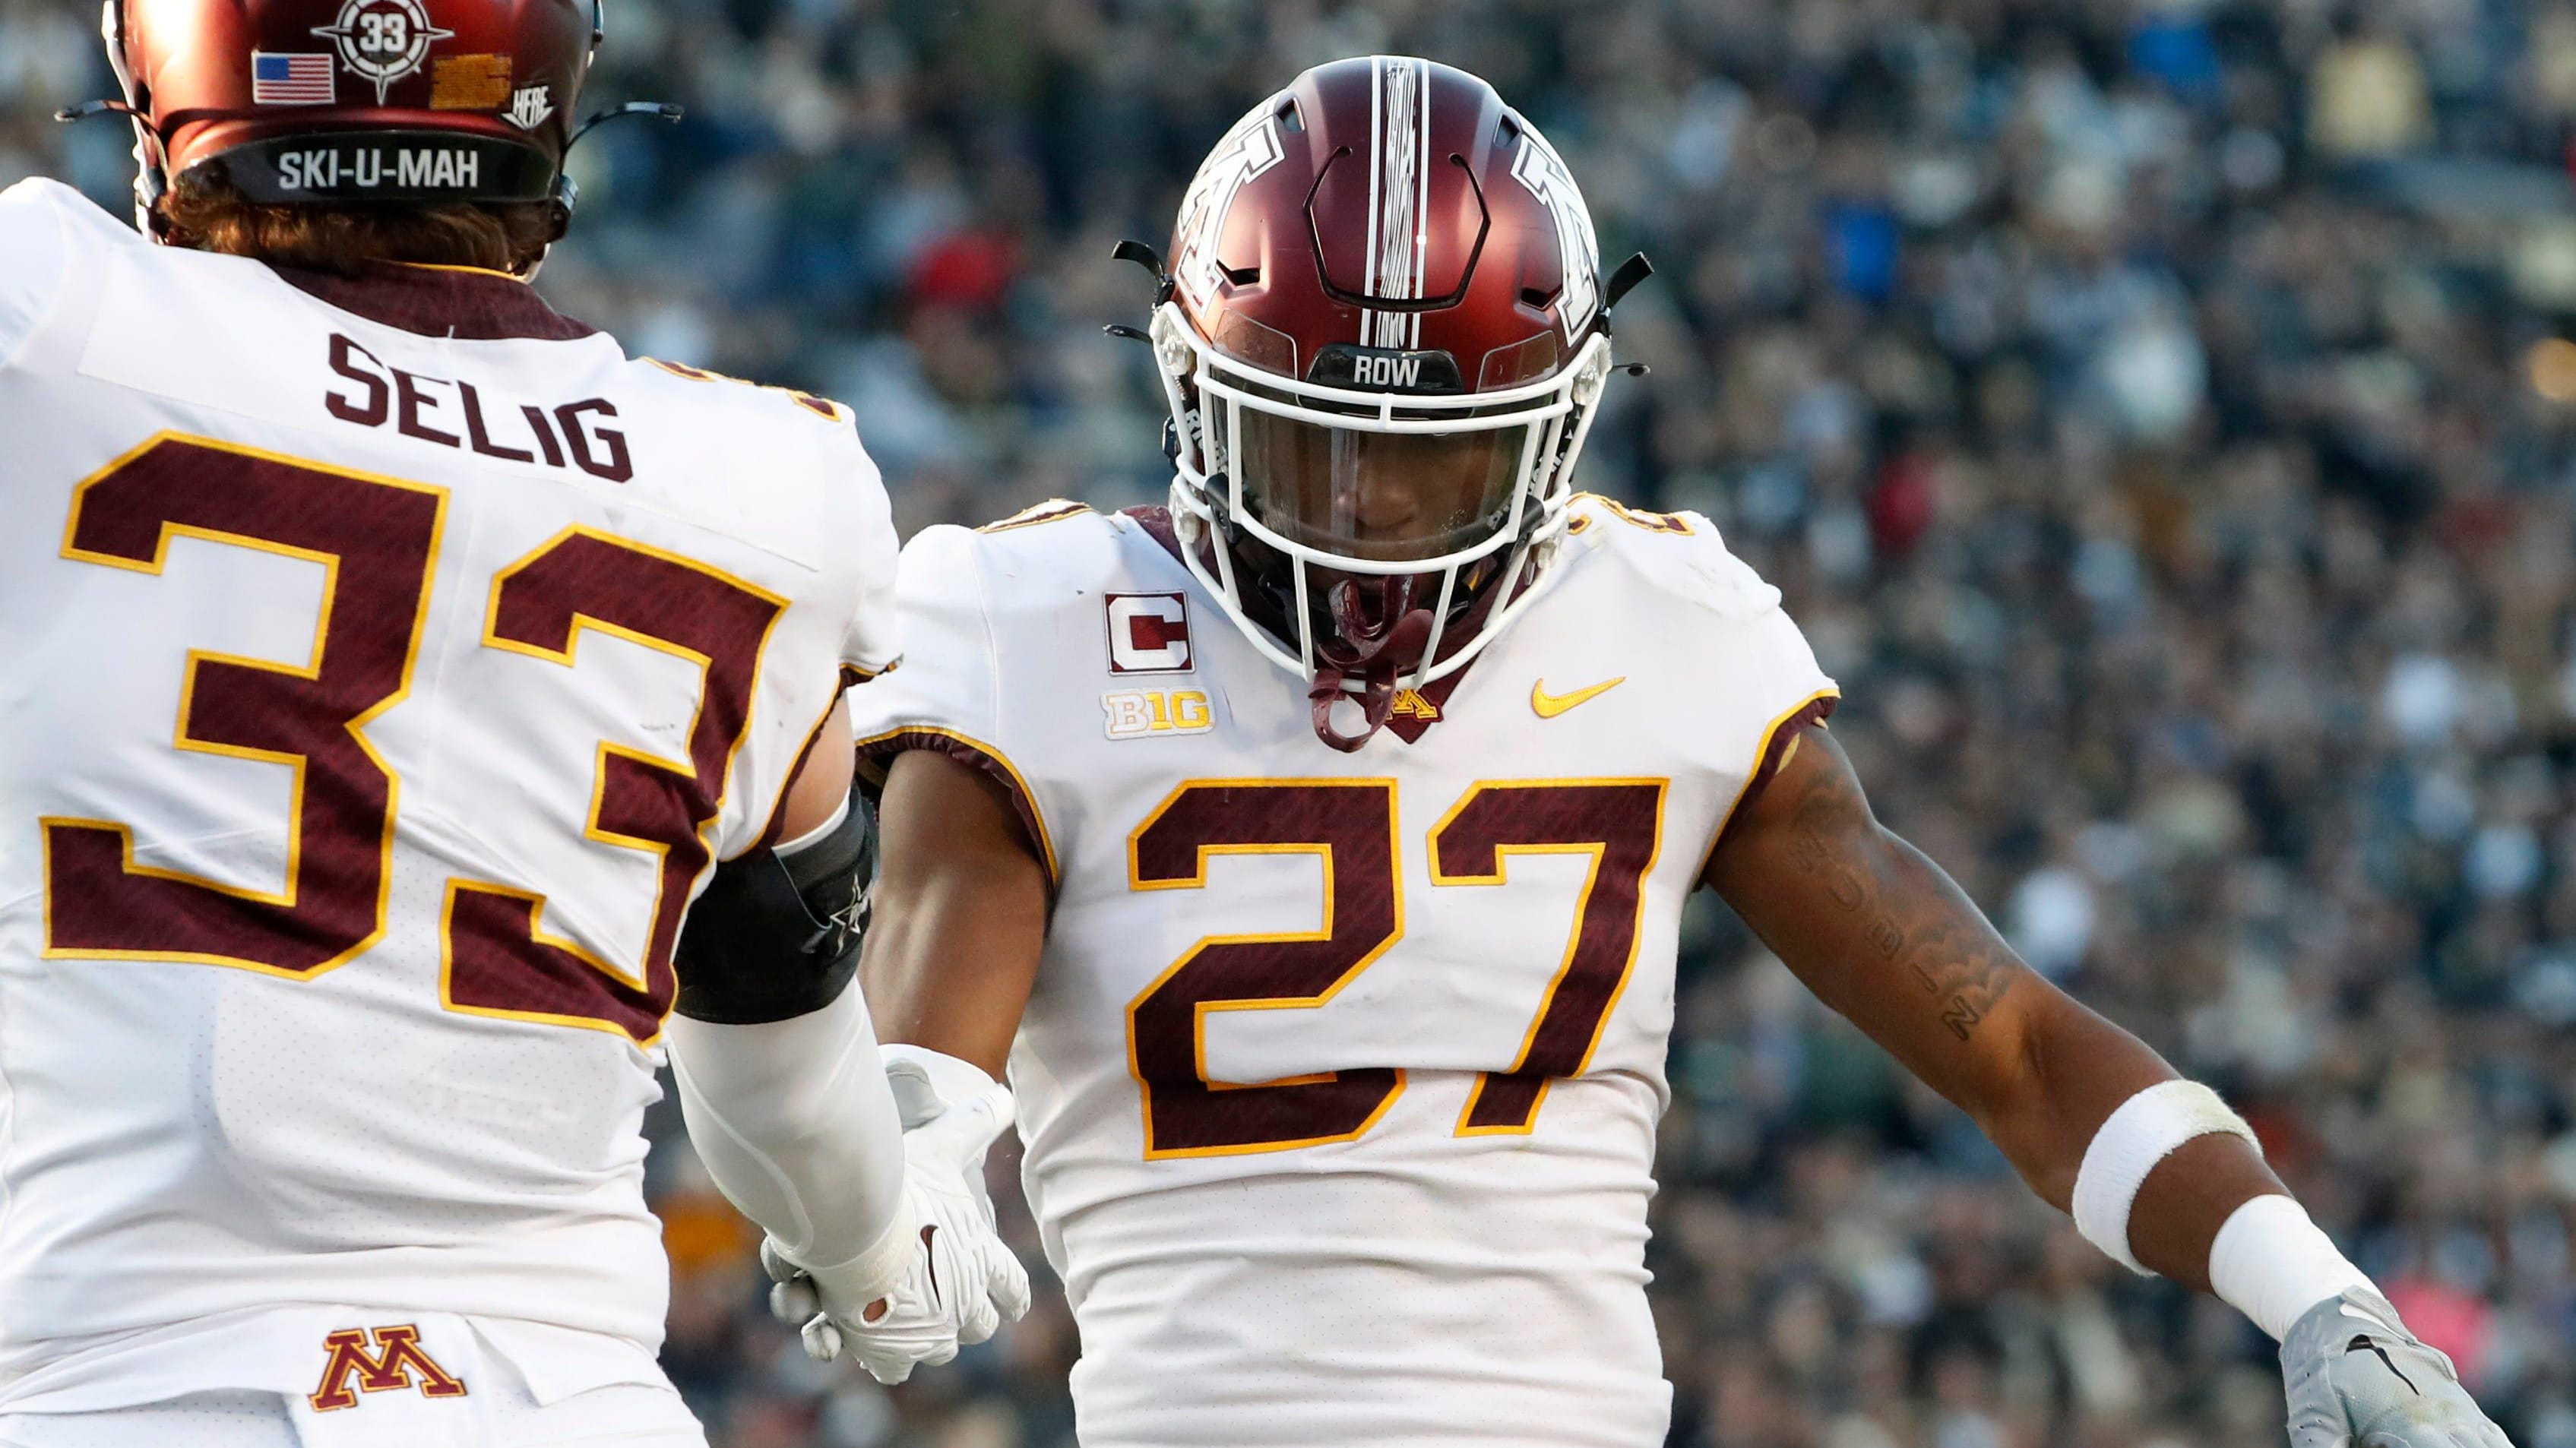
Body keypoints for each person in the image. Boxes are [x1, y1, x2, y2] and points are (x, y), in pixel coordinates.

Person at [794, 55, 2516, 1448]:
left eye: (1439, 467)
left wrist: (2315, 1289)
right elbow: (936, 1017)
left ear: (1560, 425)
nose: (1377, 528)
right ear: (1189, 391)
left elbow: (2013, 1047)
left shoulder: (1666, 623)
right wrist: (901, 1175)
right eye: (1318, 454)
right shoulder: (1030, 616)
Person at [0, 0, 1018, 1443]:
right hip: (568, 1396)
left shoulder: (44, 320)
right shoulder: (773, 484)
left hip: (119, 1382)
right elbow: (778, 1060)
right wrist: (879, 1246)